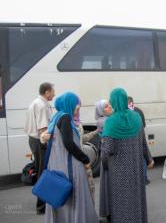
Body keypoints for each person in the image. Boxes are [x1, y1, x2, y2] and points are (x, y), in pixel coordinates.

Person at [44, 92, 98, 223]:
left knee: (62, 197)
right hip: (70, 166)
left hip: (58, 164)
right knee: (75, 196)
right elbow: (68, 143)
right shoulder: (66, 117)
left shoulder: (56, 117)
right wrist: (85, 159)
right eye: (76, 104)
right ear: (69, 103)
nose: (78, 106)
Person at [101, 88, 149, 223]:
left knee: (122, 200)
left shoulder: (111, 121)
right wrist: (148, 159)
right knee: (136, 196)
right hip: (136, 166)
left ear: (114, 101)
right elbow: (143, 142)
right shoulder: (136, 117)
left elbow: (108, 149)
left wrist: (104, 163)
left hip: (118, 169)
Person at [24, 82, 55, 214]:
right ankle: (41, 206)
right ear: (47, 92)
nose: (54, 94)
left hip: (33, 140)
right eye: (53, 91)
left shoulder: (35, 102)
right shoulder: (42, 106)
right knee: (43, 171)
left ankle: (43, 203)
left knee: (40, 169)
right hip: (40, 141)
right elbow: (43, 130)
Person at [128, 96, 154, 185]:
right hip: (139, 137)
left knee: (135, 159)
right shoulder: (138, 111)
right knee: (142, 156)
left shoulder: (125, 113)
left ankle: (138, 179)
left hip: (129, 139)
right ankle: (144, 178)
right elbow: (143, 125)